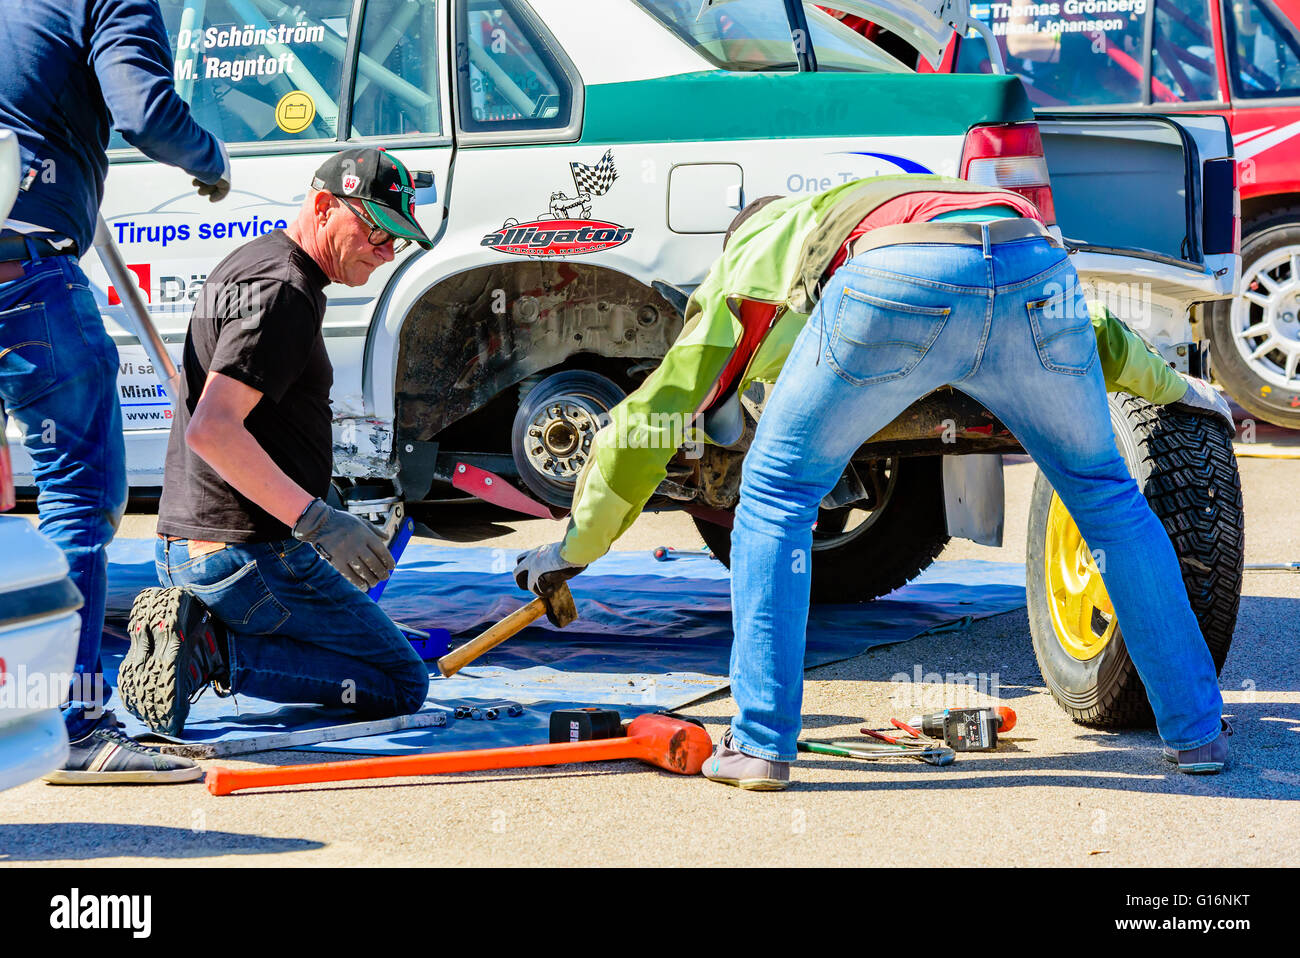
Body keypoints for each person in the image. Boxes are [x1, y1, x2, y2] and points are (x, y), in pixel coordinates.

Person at [513, 176, 1234, 788]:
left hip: (898, 282)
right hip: (1035, 266)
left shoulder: (754, 254)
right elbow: (1099, 334)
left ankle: (760, 744)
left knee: (776, 494)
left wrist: (573, 550)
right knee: (1107, 496)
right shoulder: (891, 199)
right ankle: (1198, 733)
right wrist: (1179, 389)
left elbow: (654, 418)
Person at [118, 148, 433, 738]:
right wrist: (316, 520)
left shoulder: (253, 262)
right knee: (402, 682)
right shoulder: (285, 290)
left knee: (356, 646)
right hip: (247, 557)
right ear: (322, 206)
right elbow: (210, 428)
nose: (388, 252)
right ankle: (212, 649)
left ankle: (204, 632)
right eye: (376, 231)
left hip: (191, 546)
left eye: (398, 240)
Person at [0, 0, 231, 784]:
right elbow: (143, 110)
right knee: (78, 495)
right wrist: (209, 159)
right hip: (19, 270)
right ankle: (70, 721)